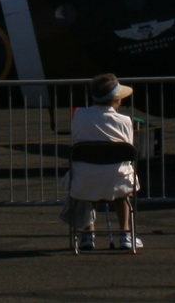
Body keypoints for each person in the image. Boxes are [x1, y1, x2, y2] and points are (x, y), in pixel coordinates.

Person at [66, 72, 142, 252]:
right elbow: (127, 149)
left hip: (86, 176)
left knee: (87, 183)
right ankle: (125, 234)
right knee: (121, 189)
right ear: (116, 99)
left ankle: (87, 235)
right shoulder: (124, 120)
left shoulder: (80, 116)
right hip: (116, 176)